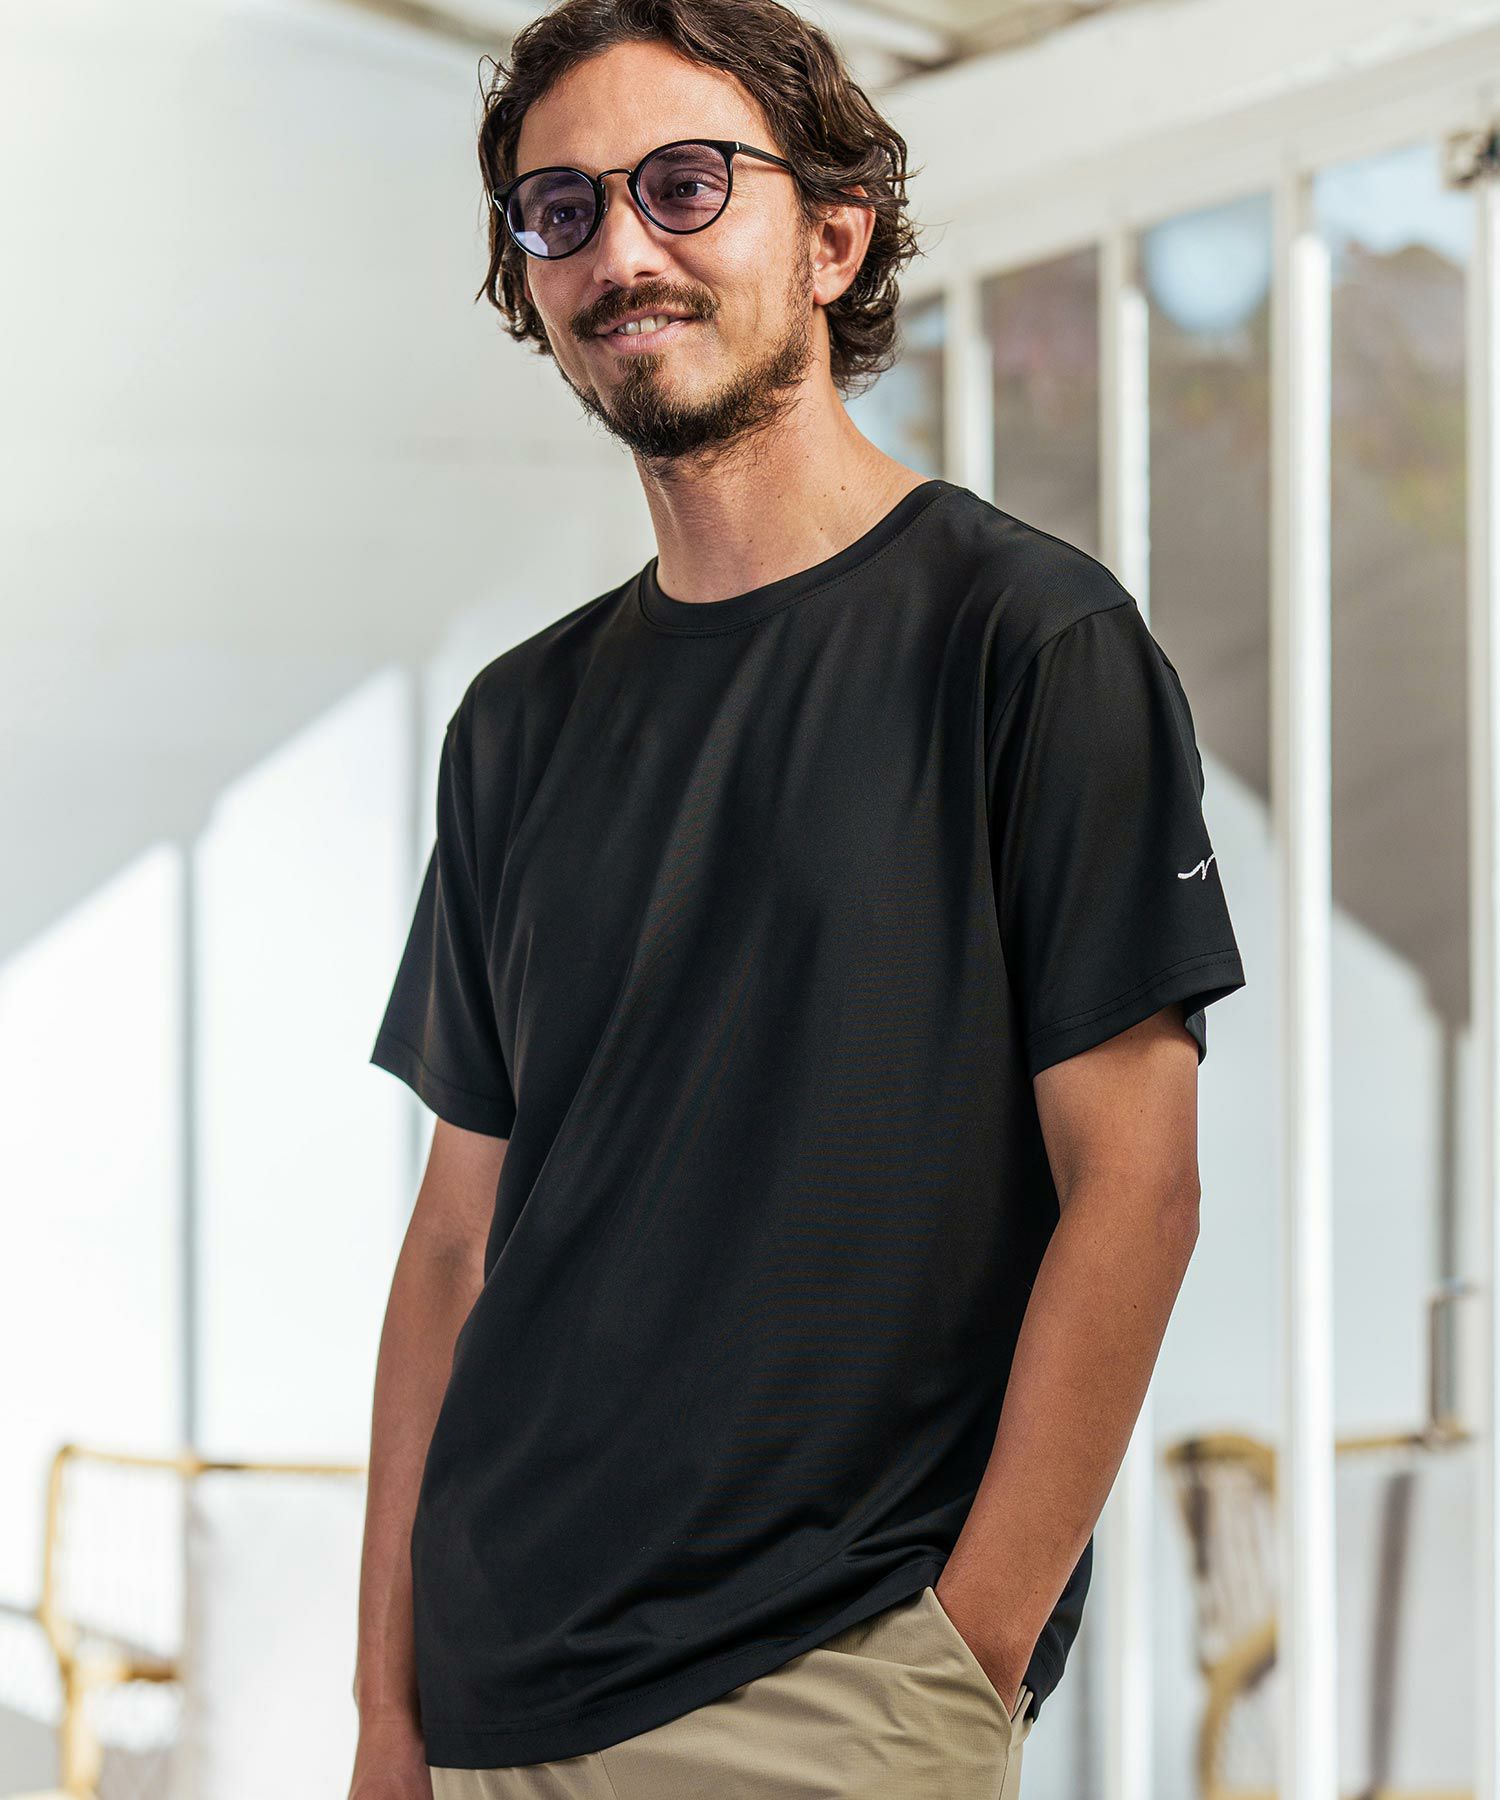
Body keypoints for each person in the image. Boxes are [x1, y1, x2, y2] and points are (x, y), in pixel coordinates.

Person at [349, 1, 1248, 1795]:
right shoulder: (515, 723)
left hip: (825, 1689)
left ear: (834, 238)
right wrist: (389, 1711)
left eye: (685, 184)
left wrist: (967, 1657)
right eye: (562, 210)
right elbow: (457, 1239)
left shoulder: (1032, 645)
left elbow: (1137, 1189)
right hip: (489, 1697)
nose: (622, 249)